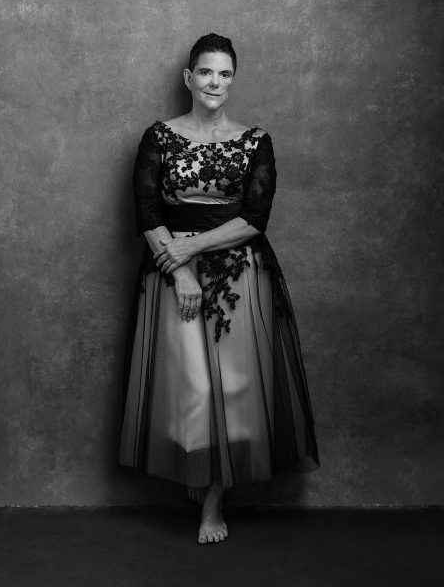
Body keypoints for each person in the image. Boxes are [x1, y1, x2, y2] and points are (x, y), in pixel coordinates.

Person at [118, 33, 320, 544]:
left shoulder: (255, 140)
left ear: (233, 80)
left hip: (239, 276)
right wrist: (178, 268)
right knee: (192, 391)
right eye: (206, 72)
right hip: (172, 275)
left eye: (225, 74)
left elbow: (255, 218)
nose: (215, 82)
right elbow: (147, 211)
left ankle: (213, 503)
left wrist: (192, 248)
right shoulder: (159, 137)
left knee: (233, 391)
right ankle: (199, 475)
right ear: (188, 78)